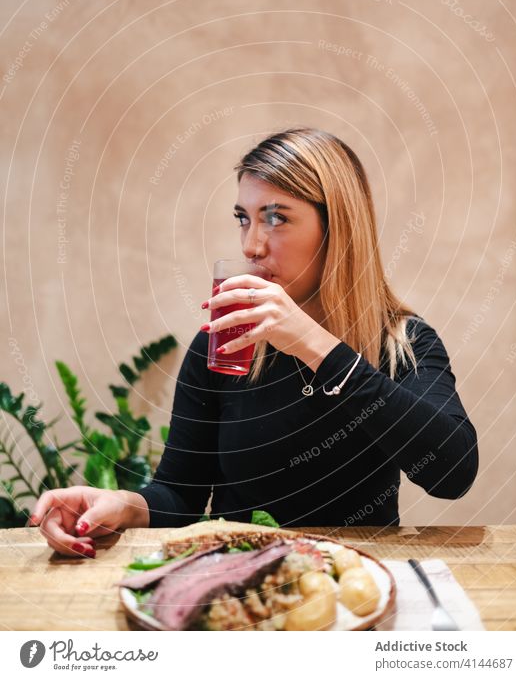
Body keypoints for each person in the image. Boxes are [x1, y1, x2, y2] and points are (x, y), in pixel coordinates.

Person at [30, 127, 478, 557]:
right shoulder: (226, 344)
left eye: (276, 218)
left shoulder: (403, 343)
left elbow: (452, 474)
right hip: (237, 583)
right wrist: (122, 505)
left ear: (337, 228)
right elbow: (181, 494)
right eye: (244, 218)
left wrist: (314, 345)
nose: (252, 245)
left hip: (353, 592)